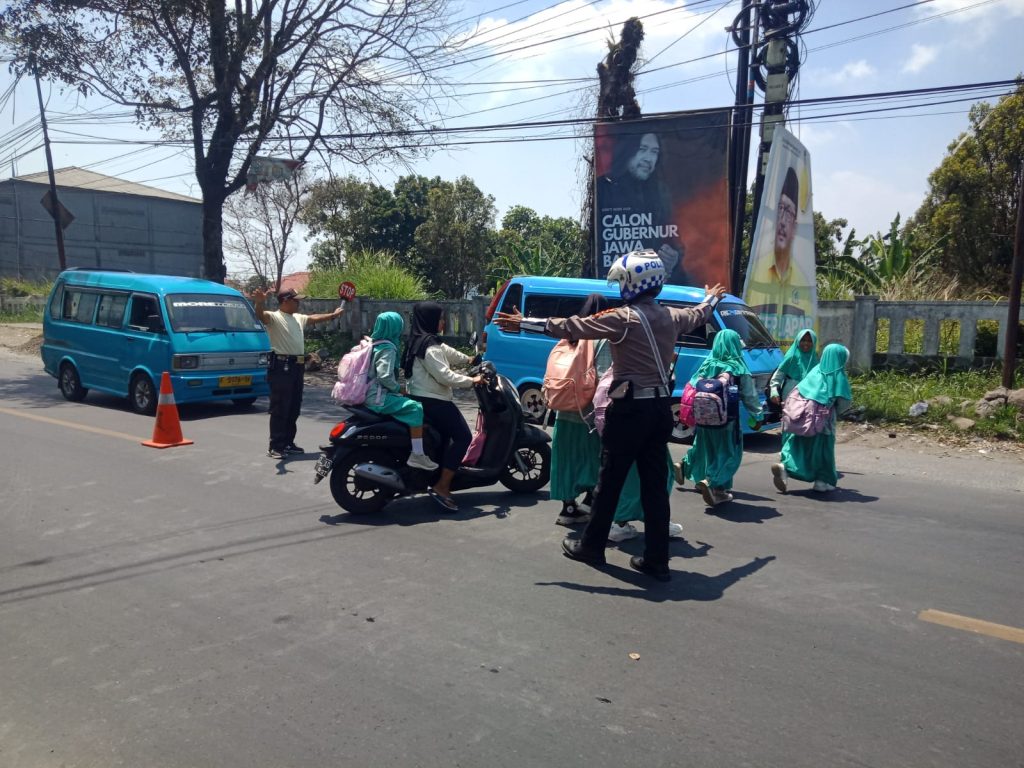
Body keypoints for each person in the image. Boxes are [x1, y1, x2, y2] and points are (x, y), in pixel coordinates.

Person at [497, 250, 726, 582]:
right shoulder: (671, 317)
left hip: (629, 412)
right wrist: (711, 298)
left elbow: (574, 325)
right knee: (653, 489)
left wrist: (524, 321)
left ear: (632, 283)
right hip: (659, 410)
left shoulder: (625, 318)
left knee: (609, 483)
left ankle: (592, 547)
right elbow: (700, 314)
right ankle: (657, 561)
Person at [404, 302, 484, 512]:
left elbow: (447, 352)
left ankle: (439, 473)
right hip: (432, 401)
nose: (443, 322)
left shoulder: (421, 339)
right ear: (430, 320)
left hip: (420, 397)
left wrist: (469, 358)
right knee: (463, 437)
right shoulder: (429, 347)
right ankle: (442, 486)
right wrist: (472, 380)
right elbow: (445, 376)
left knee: (448, 437)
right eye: (440, 318)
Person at [252, 287, 344, 459]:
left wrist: (333, 315)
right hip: (281, 366)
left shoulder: (298, 318)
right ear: (286, 301)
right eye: (296, 300)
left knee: (294, 406)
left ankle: (288, 442)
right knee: (280, 407)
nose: (299, 302)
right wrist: (259, 302)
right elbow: (260, 316)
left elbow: (314, 318)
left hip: (297, 367)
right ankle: (276, 446)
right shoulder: (274, 316)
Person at [682, 329, 764, 508]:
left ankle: (701, 478)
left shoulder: (707, 364)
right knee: (729, 453)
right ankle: (715, 487)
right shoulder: (738, 367)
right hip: (727, 420)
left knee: (706, 450)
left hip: (704, 419)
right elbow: (749, 396)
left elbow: (692, 387)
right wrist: (758, 416)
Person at [596, 131, 687, 283]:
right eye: (642, 149)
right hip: (614, 287)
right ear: (628, 151)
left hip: (654, 289)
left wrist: (673, 258)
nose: (648, 159)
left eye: (654, 152)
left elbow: (675, 242)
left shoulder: (660, 191)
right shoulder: (603, 188)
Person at [743, 166, 815, 345]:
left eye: (789, 212)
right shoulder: (756, 272)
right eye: (780, 209)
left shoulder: (804, 282)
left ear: (796, 225)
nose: (782, 221)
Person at [771, 343, 852, 494]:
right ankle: (822, 481)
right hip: (823, 424)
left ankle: (786, 468)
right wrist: (836, 411)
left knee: (799, 446)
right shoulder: (837, 376)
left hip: (802, 420)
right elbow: (844, 403)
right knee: (823, 452)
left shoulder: (816, 370)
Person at [363, 311, 438, 472]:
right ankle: (418, 454)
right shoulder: (387, 348)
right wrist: (399, 389)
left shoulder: (373, 343)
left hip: (368, 393)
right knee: (415, 408)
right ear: (394, 327)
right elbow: (384, 376)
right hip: (378, 397)